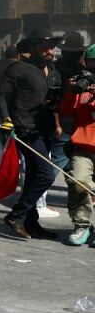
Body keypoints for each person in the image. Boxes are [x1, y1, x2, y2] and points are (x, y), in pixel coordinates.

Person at [0, 29, 64, 239]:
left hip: (45, 130)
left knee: (35, 175)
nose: (49, 51)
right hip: (25, 129)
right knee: (45, 173)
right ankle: (17, 215)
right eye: (45, 46)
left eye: (52, 46)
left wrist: (56, 116)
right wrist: (6, 119)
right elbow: (0, 94)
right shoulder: (19, 69)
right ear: (33, 48)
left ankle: (31, 222)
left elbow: (55, 103)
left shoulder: (53, 72)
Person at [60, 45, 95, 246]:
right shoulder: (82, 86)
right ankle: (81, 225)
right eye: (92, 63)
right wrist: (71, 92)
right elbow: (65, 112)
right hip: (83, 148)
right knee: (78, 183)